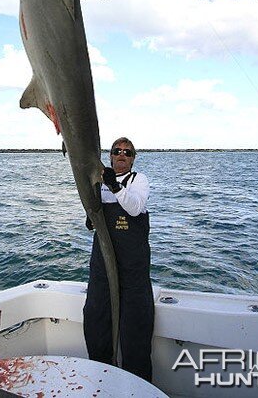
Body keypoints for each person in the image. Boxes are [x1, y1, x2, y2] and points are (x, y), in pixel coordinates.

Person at [83, 137, 154, 382]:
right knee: (95, 317)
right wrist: (91, 217)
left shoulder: (138, 181)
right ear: (110, 156)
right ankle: (101, 378)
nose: (122, 155)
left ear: (133, 158)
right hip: (102, 264)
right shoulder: (99, 184)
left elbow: (134, 208)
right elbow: (93, 211)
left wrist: (115, 187)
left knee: (136, 328)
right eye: (117, 151)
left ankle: (138, 385)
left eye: (127, 152)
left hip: (133, 268)